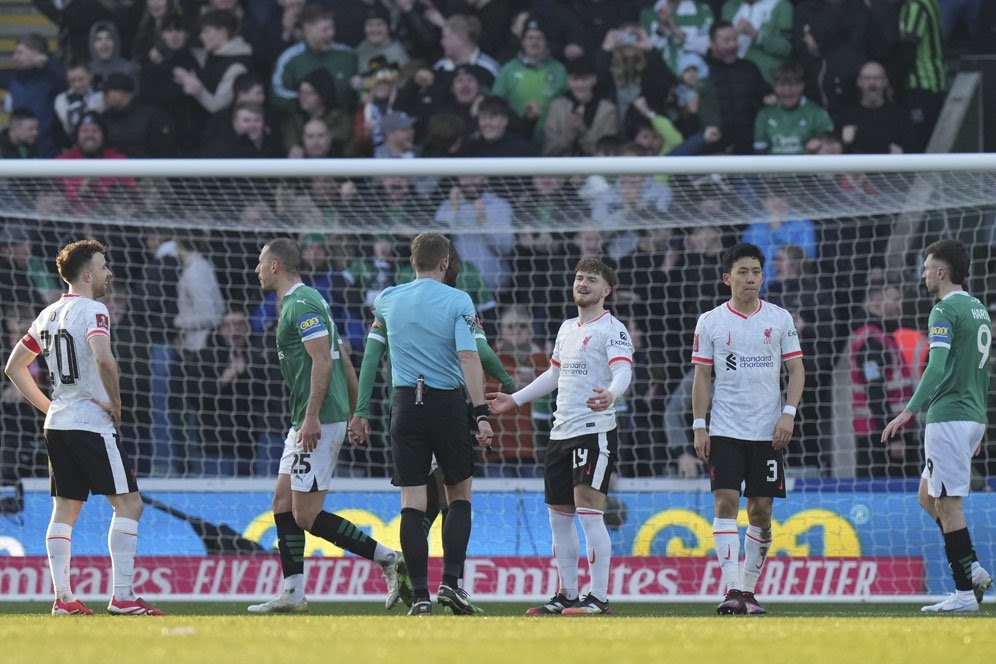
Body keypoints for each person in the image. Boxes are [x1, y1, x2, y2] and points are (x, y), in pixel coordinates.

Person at [247, 237, 409, 613]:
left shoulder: (302, 302)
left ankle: (387, 558)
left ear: (275, 266)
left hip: (316, 419)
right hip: (312, 417)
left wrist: (314, 417)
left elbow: (323, 361)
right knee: (283, 503)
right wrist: (357, 411)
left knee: (305, 515)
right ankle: (293, 592)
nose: (255, 269)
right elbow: (343, 359)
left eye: (260, 262)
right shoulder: (306, 301)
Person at [3, 240, 163, 616]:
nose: (109, 273)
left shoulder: (47, 314)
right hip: (91, 422)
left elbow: (13, 368)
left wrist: (50, 407)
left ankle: (62, 598)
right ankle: (122, 597)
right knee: (129, 504)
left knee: (65, 510)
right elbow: (103, 358)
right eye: (104, 266)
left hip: (58, 424)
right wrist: (117, 403)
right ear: (87, 274)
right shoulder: (94, 310)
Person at [489, 258, 634, 616]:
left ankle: (598, 597)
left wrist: (612, 395)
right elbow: (554, 375)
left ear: (606, 290)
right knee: (559, 517)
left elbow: (623, 371)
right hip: (560, 433)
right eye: (579, 277)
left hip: (593, 431)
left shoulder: (612, 329)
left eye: (592, 279)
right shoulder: (567, 328)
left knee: (589, 514)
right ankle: (567, 594)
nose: (583, 283)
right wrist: (516, 399)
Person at [360, 232, 494, 616]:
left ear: (411, 261)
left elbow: (372, 356)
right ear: (446, 263)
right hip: (447, 404)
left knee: (412, 503)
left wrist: (361, 410)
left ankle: (419, 597)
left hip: (404, 405)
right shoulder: (458, 299)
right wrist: (480, 412)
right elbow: (470, 357)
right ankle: (451, 585)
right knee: (459, 496)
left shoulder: (386, 299)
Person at [690, 242, 805, 615]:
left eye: (756, 271)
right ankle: (733, 588)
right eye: (743, 272)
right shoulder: (710, 322)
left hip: (768, 431)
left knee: (761, 510)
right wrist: (699, 425)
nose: (751, 278)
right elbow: (702, 377)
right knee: (725, 502)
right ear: (728, 278)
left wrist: (788, 413)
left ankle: (750, 591)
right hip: (724, 428)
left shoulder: (780, 319)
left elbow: (797, 370)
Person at [882, 239, 993, 612]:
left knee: (948, 505)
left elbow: (938, 366)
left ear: (942, 272)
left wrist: (907, 411)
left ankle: (964, 594)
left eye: (928, 267)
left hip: (949, 418)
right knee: (927, 497)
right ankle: (972, 568)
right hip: (970, 416)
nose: (924, 273)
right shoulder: (978, 309)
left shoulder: (943, 310)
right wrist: (981, 420)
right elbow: (982, 370)